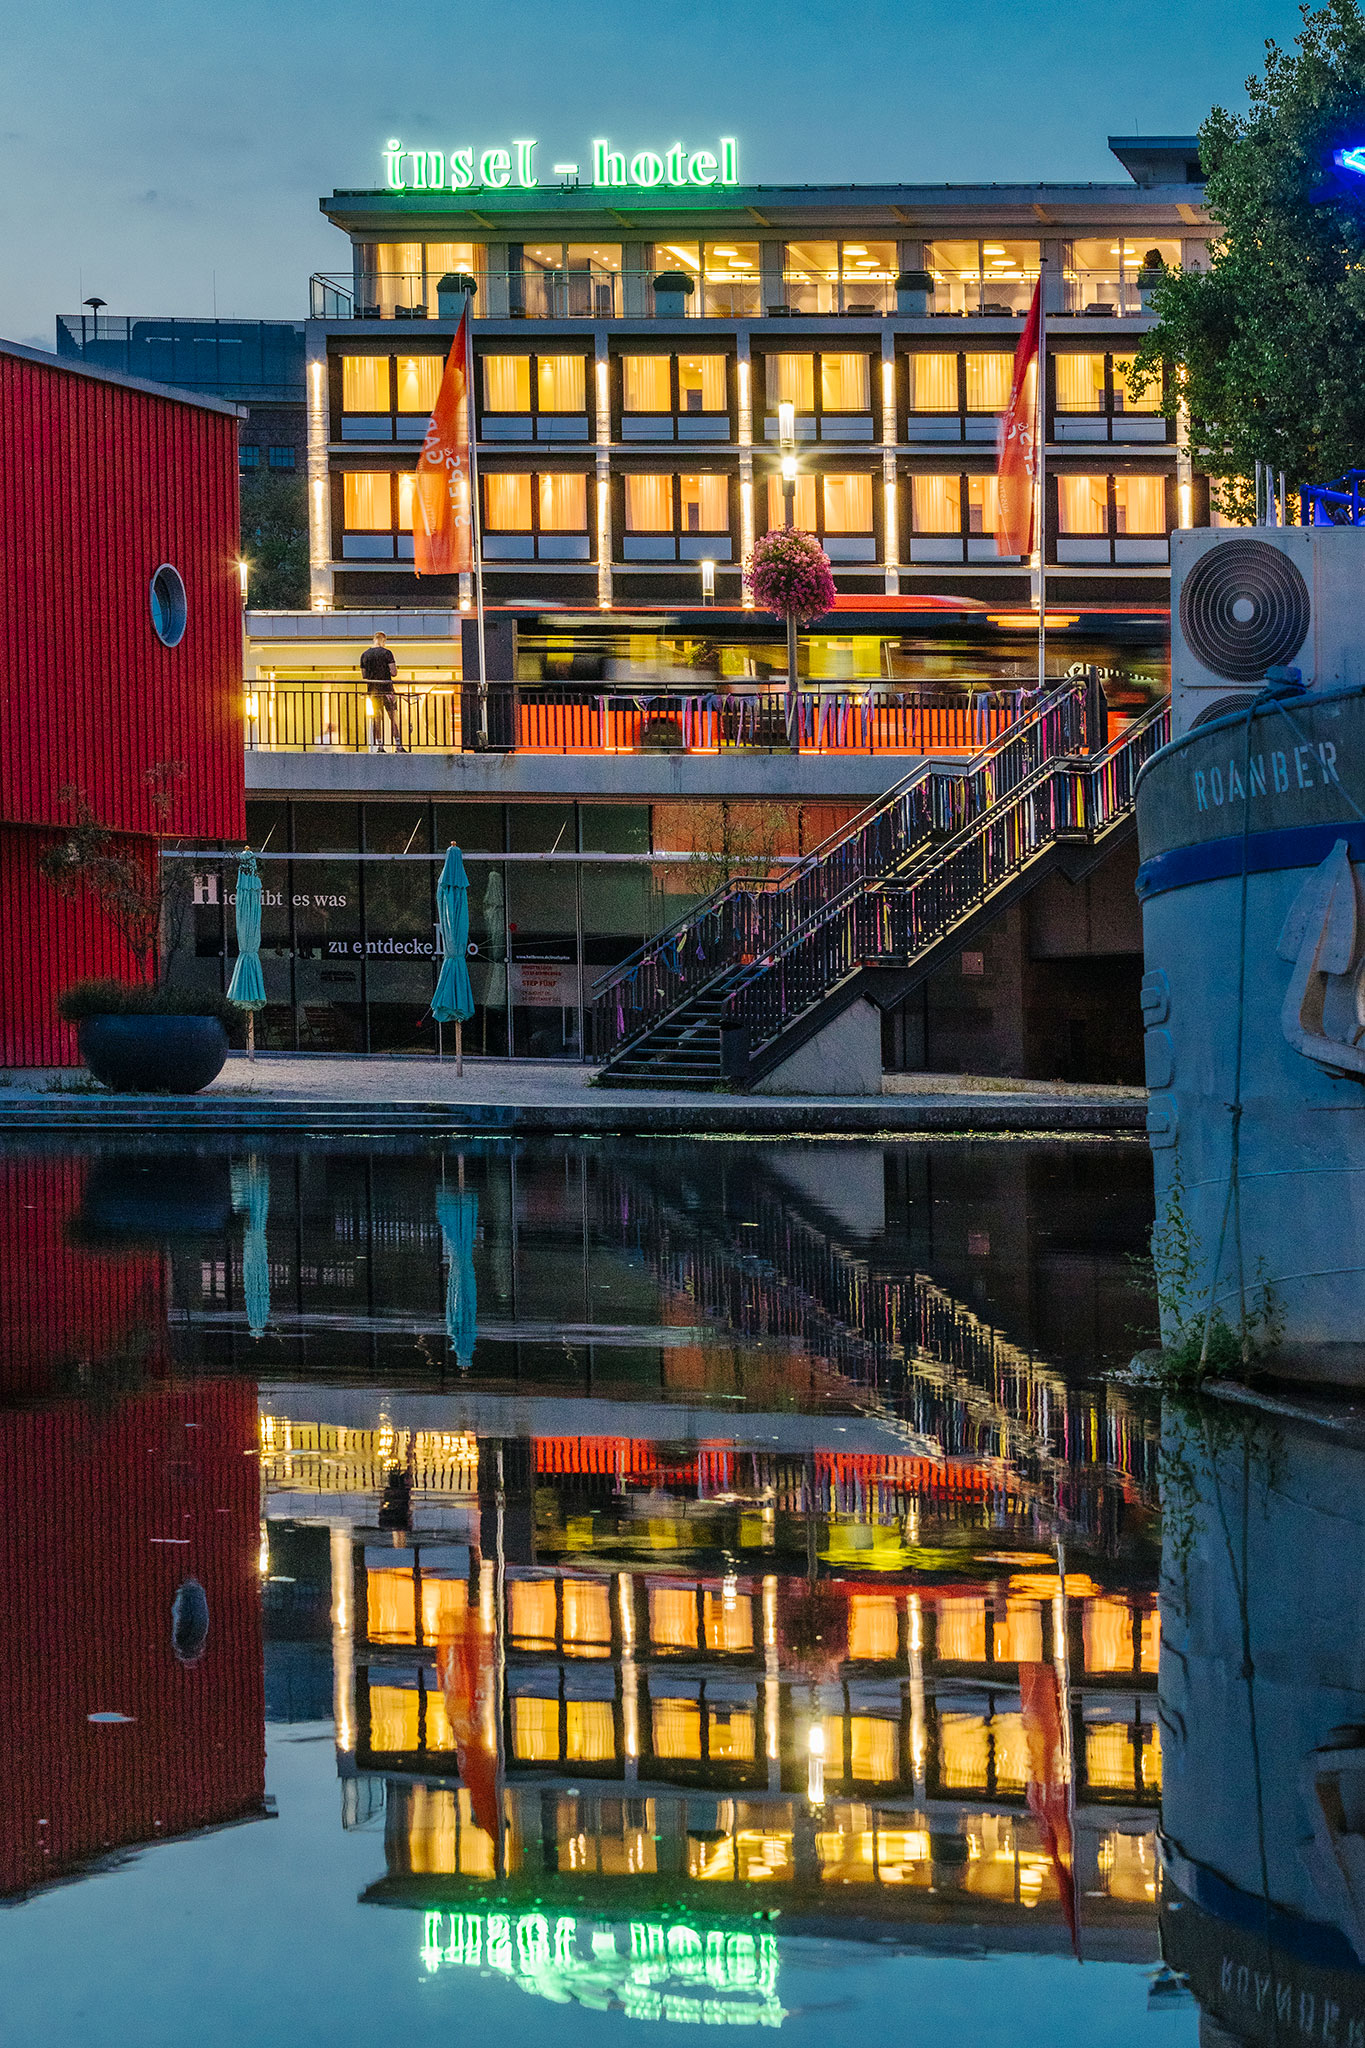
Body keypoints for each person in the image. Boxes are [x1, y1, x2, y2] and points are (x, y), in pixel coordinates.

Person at [360, 631, 405, 751]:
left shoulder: (365, 655)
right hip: (387, 690)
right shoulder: (387, 653)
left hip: (373, 691)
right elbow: (394, 672)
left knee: (377, 718)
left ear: (374, 640)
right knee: (393, 717)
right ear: (384, 641)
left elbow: (364, 675)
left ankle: (379, 745)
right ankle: (398, 745)